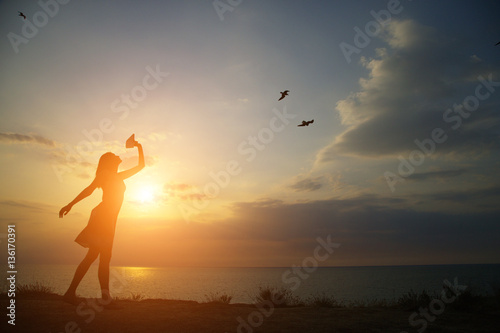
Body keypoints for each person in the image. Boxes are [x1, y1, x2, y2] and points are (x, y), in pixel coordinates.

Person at [59, 138, 145, 305]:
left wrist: (139, 147)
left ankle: (70, 293)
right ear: (108, 161)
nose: (116, 155)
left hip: (108, 219)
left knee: (92, 257)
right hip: (103, 218)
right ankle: (105, 299)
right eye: (113, 155)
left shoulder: (118, 176)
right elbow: (89, 190)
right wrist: (70, 204)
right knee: (104, 258)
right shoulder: (105, 174)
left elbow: (141, 166)